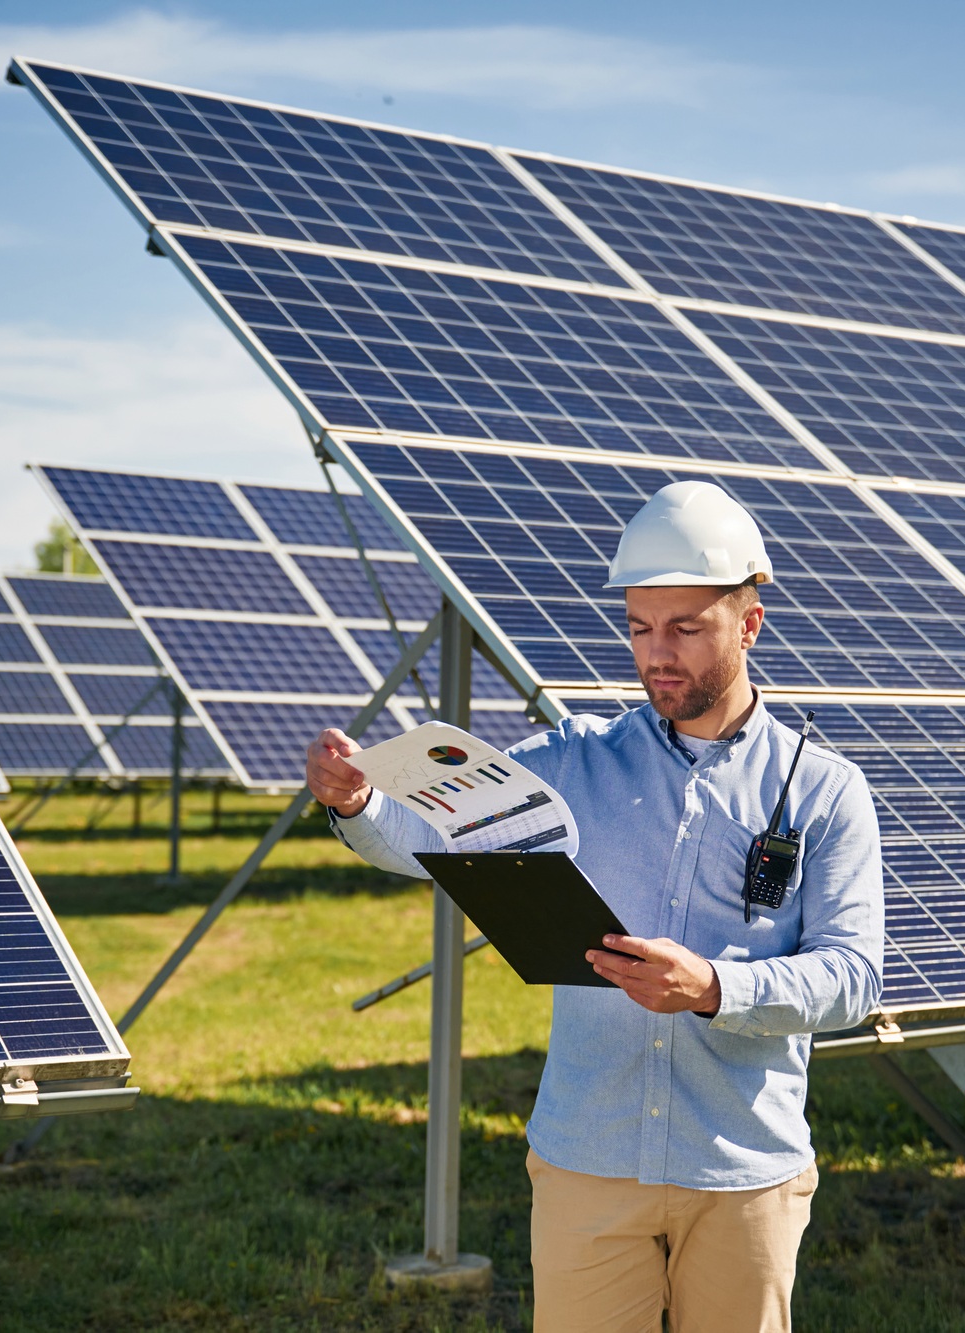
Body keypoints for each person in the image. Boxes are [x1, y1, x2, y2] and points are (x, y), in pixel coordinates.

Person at [305, 480, 884, 1332]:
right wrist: (359, 805)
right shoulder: (571, 761)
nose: (658, 653)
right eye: (641, 627)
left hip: (743, 1176)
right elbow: (435, 840)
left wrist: (717, 987)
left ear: (749, 623)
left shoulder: (826, 792)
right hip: (589, 1164)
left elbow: (853, 976)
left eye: (685, 628)